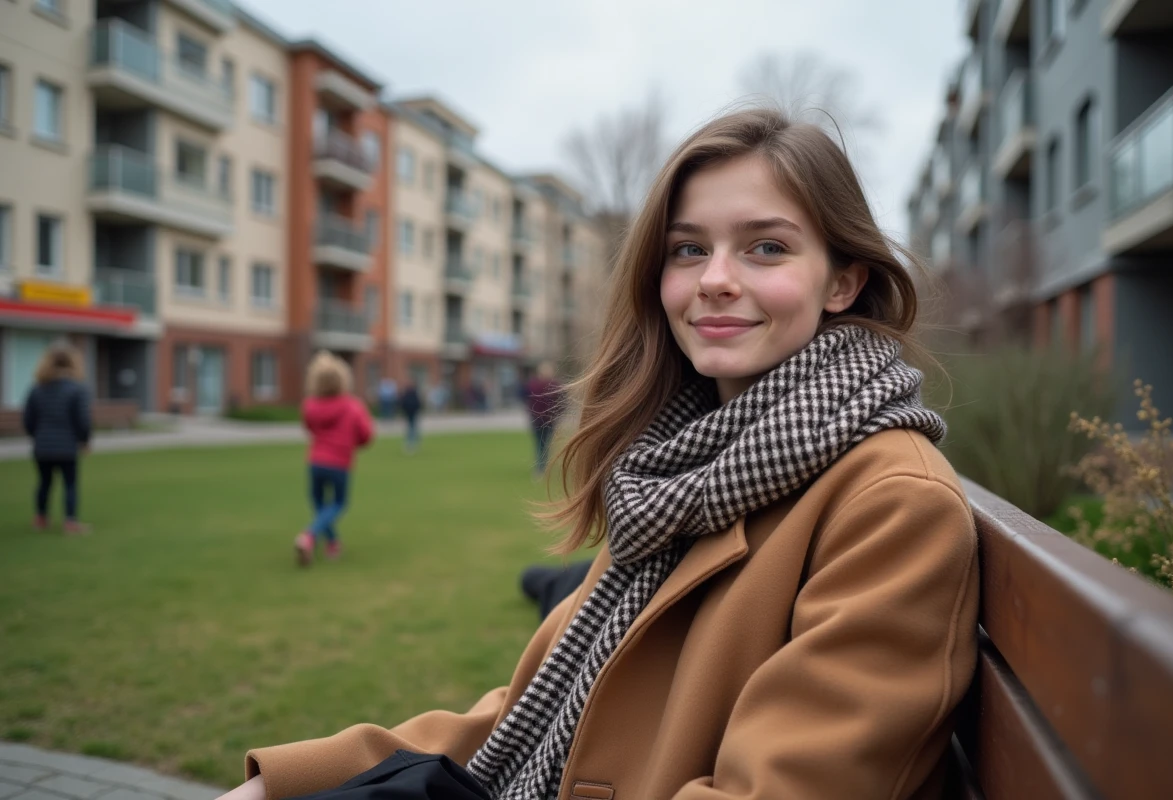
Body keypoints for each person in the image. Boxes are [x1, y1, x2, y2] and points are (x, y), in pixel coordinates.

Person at [220, 108, 979, 799]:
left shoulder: (891, 503)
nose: (715, 280)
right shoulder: (673, 470)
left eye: (767, 247)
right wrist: (277, 788)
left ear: (843, 280)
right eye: (689, 249)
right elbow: (530, 715)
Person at [295, 351, 373, 566]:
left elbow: (309, 427)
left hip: (316, 462)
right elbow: (366, 435)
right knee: (338, 503)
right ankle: (309, 536)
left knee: (320, 504)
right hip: (340, 463)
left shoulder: (310, 405)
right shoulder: (352, 406)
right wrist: (352, 442)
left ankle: (332, 543)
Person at [23, 341, 92, 535]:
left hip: (42, 446)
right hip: (67, 446)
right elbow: (82, 419)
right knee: (70, 484)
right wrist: (84, 440)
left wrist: (37, 436)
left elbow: (28, 419)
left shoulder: (37, 389)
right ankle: (70, 522)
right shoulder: (76, 389)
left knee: (44, 482)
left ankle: (41, 518)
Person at [523, 363, 562, 477]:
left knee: (542, 444)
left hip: (546, 420)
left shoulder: (552, 386)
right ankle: (541, 467)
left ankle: (541, 467)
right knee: (542, 444)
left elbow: (562, 403)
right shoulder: (537, 385)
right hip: (540, 420)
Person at [398, 379, 423, 453]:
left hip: (413, 412)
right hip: (409, 413)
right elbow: (403, 403)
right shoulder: (407, 394)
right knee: (411, 427)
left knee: (412, 427)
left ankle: (413, 442)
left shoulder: (413, 393)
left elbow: (417, 403)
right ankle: (411, 442)